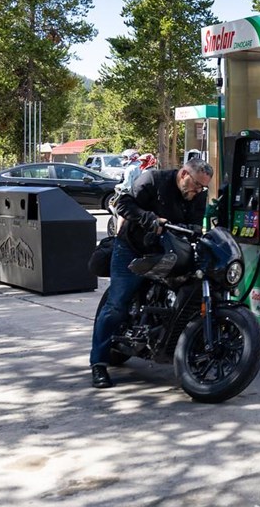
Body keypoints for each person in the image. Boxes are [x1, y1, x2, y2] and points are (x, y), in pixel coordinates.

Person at [89, 157, 214, 389]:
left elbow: (196, 224)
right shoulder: (153, 180)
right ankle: (99, 364)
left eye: (203, 187)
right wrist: (148, 218)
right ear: (184, 174)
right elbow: (123, 204)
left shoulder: (198, 195)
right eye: (197, 184)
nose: (198, 191)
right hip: (133, 248)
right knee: (117, 304)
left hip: (169, 251)